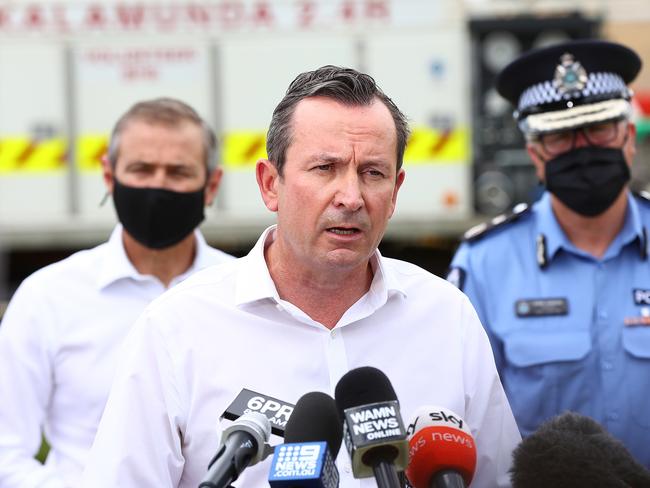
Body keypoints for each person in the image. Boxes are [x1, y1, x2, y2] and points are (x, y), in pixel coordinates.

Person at [81, 66, 520, 488]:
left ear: (395, 192)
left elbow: (499, 477)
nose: (350, 197)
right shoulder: (176, 328)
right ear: (270, 184)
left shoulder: (446, 316)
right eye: (324, 168)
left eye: (373, 173)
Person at [0, 98, 235, 488]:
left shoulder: (243, 291)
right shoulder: (47, 297)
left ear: (211, 185)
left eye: (178, 172)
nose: (158, 186)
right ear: (109, 176)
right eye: (141, 169)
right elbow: (6, 450)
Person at [448, 39, 650, 467]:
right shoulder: (484, 264)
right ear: (535, 154)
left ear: (629, 137)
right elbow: (461, 417)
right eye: (559, 136)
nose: (582, 148)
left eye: (598, 129)